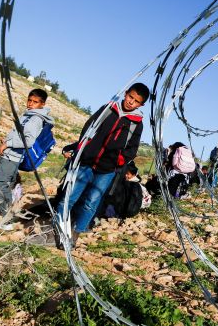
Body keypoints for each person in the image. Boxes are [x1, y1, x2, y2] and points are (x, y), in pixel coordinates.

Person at [54, 83, 149, 244]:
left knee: (91, 202)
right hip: (86, 162)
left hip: (107, 169)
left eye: (136, 101)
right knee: (69, 197)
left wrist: (117, 161)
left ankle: (75, 234)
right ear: (126, 93)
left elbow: (132, 150)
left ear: (141, 105)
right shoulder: (108, 109)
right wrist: (84, 150)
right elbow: (88, 128)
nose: (131, 102)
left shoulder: (136, 124)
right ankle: (57, 228)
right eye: (130, 97)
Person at [0, 88, 54, 230]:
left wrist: (8, 144)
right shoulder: (28, 115)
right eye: (29, 100)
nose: (31, 103)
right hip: (10, 155)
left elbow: (28, 142)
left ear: (42, 104)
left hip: (12, 158)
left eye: (35, 102)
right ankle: (6, 220)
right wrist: (7, 141)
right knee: (4, 187)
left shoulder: (35, 119)